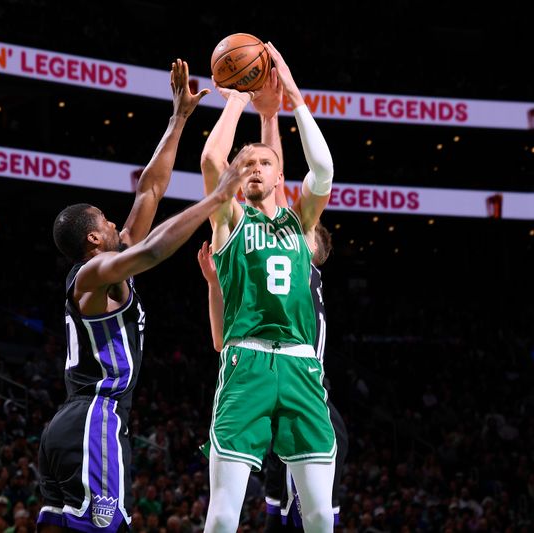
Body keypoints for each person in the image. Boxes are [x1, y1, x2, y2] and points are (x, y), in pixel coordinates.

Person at [37, 58, 255, 533]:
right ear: (92, 239)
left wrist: (178, 118)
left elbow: (151, 190)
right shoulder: (93, 275)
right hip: (96, 418)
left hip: (68, 427)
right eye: (104, 221)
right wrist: (218, 198)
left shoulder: (110, 264)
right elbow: (155, 251)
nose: (115, 222)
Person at [199, 42, 336, 533]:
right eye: (247, 163)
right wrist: (235, 97)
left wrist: (294, 101)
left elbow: (323, 170)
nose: (254, 166)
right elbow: (213, 162)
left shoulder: (301, 223)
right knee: (222, 514)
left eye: (264, 162)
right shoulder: (228, 218)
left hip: (301, 364)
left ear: (281, 176)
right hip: (247, 363)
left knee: (319, 513)